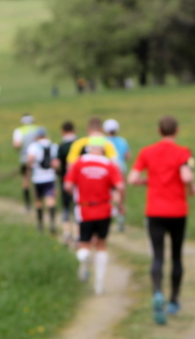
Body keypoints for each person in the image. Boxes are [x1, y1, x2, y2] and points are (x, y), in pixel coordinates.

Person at [128, 116, 195, 325]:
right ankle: (173, 301)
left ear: (159, 131)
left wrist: (147, 181)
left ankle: (157, 292)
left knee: (157, 256)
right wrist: (191, 186)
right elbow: (186, 177)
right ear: (177, 130)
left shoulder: (147, 152)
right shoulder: (182, 152)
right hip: (177, 211)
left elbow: (132, 179)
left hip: (155, 211)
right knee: (176, 256)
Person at [64, 137, 124, 294]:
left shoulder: (79, 163)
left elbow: (68, 185)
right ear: (103, 149)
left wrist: (75, 195)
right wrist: (120, 204)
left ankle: (84, 257)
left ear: (88, 148)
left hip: (84, 209)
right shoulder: (109, 165)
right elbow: (120, 186)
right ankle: (99, 285)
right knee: (101, 245)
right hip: (104, 208)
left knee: (84, 243)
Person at [26, 127, 59, 234]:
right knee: (51, 200)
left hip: (38, 178)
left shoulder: (33, 146)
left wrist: (28, 169)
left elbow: (30, 159)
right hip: (50, 177)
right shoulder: (53, 146)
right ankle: (52, 224)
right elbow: (56, 163)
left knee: (38, 201)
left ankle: (40, 225)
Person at [104, 118, 130, 232]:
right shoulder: (122, 141)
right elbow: (128, 156)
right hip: (121, 169)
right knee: (121, 193)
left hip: (107, 170)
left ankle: (109, 215)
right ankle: (120, 217)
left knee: (109, 194)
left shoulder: (103, 141)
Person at [56, 120, 78, 245]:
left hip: (65, 179)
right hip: (78, 181)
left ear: (62, 131)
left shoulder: (62, 146)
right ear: (74, 130)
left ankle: (66, 233)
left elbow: (57, 164)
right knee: (77, 207)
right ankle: (77, 234)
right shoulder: (79, 145)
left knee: (65, 207)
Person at [13, 114, 39, 210]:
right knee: (37, 180)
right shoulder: (37, 129)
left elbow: (17, 145)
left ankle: (28, 204)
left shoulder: (19, 131)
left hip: (25, 158)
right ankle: (38, 202)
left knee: (26, 181)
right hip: (37, 159)